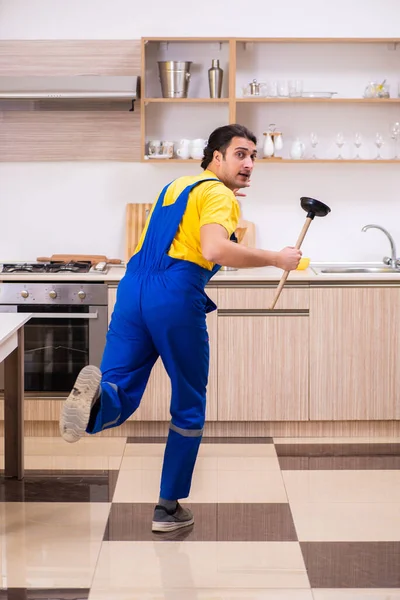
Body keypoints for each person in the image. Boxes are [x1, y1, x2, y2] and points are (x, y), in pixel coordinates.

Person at [59, 123, 301, 533]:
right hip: (173, 294)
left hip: (133, 288)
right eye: (240, 154)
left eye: (254, 156)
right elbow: (214, 249)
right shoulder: (220, 195)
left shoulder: (179, 186)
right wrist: (276, 258)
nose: (249, 164)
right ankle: (167, 509)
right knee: (188, 400)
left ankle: (96, 403)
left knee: (119, 382)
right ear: (216, 157)